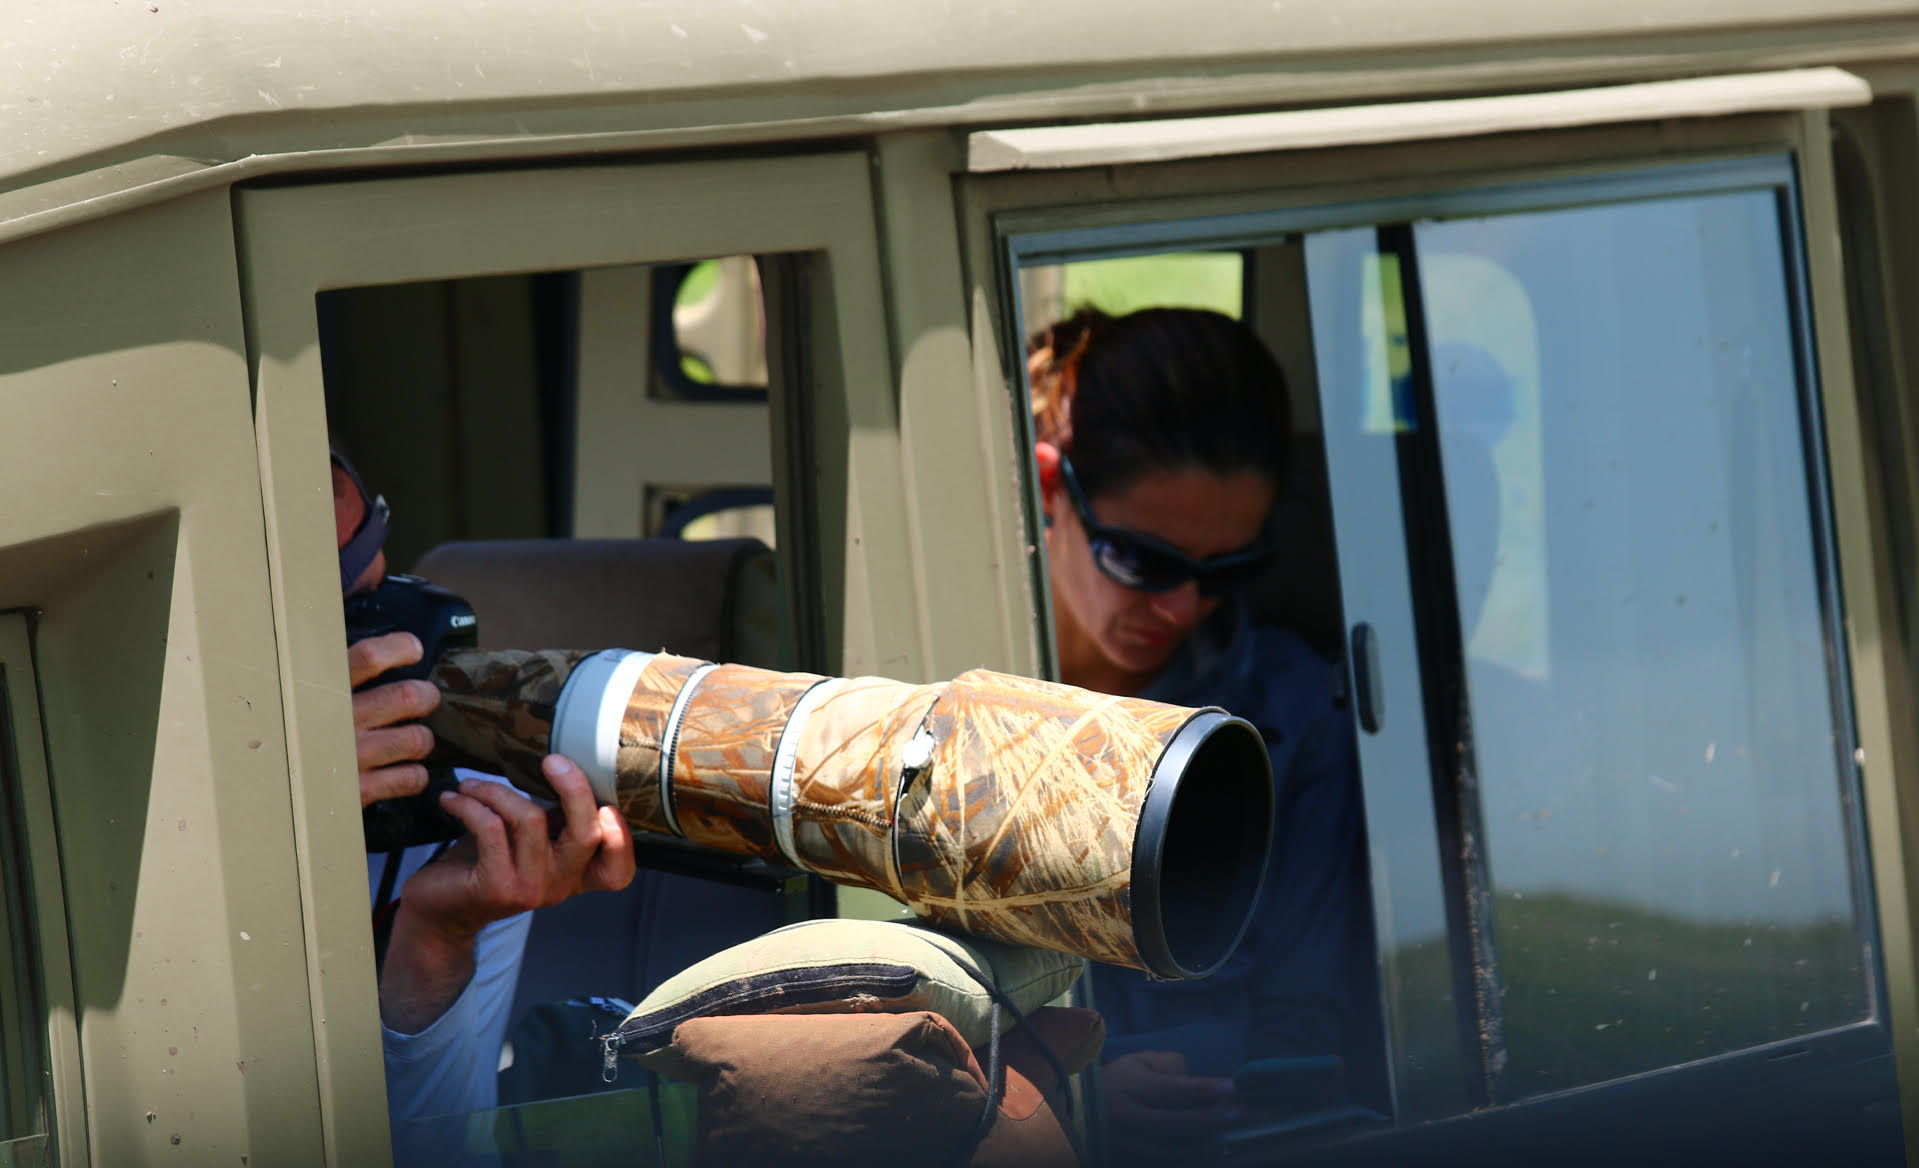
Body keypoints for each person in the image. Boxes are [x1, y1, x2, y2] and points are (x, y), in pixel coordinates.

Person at [1025, 308, 1373, 1151]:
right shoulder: (938, 684)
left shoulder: (1292, 713)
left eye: (1230, 571)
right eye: (1144, 561)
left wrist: (1261, 1090)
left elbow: (1306, 1006)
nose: (1181, 609)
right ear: (1047, 487)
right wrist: (1065, 1098)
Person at [332, 451, 638, 1135]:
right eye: (352, 614)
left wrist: (436, 941)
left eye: (380, 604)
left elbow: (438, 1153)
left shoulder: (471, 824)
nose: (392, 640)